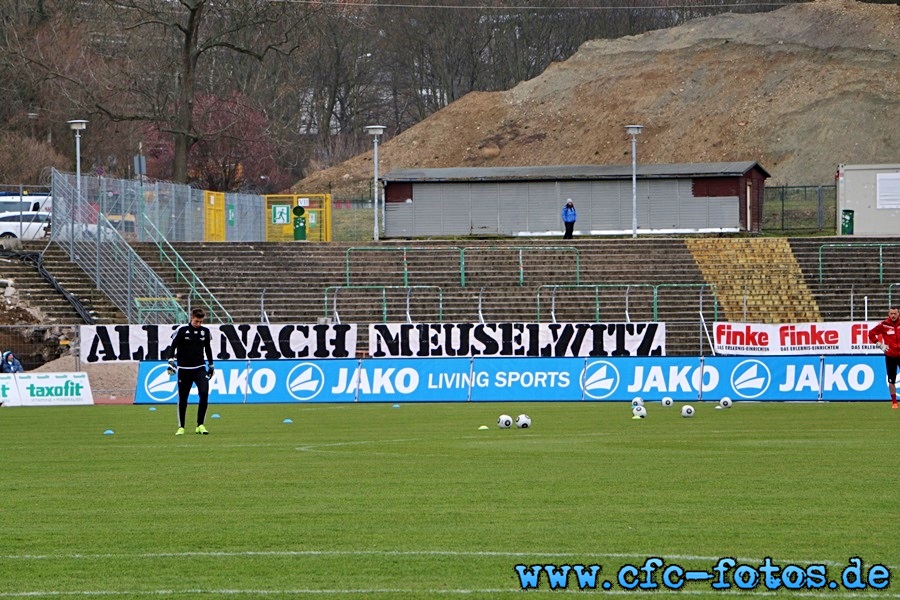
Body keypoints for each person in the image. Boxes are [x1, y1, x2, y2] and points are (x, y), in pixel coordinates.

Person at [167, 308, 215, 435]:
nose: (198, 324)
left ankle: (200, 425)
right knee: (183, 398)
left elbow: (208, 348)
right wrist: (171, 361)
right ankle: (181, 426)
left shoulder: (205, 332)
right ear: (191, 318)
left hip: (199, 368)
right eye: (196, 321)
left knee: (204, 393)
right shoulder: (182, 330)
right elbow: (173, 345)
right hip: (184, 369)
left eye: (200, 322)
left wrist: (211, 365)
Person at [868, 306, 900, 409]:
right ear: (888, 314)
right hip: (890, 356)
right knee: (891, 380)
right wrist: (879, 344)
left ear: (898, 314)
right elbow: (871, 333)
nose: (893, 315)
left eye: (895, 313)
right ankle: (894, 402)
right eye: (891, 314)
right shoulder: (884, 325)